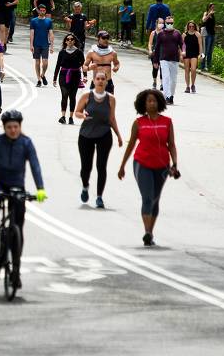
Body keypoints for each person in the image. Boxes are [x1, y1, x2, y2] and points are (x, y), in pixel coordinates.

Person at [0, 109, 47, 288]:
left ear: (20, 127)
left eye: (16, 127)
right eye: (9, 127)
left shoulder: (26, 143)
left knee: (18, 227)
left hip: (17, 184)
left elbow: (35, 165)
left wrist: (40, 188)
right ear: (4, 127)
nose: (13, 130)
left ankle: (16, 270)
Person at [117, 90, 179, 247]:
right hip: (142, 164)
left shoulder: (167, 122)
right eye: (148, 101)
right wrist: (122, 165)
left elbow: (171, 144)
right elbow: (131, 145)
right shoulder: (139, 123)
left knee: (156, 199)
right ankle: (146, 231)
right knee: (147, 197)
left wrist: (175, 164)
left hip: (162, 166)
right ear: (143, 105)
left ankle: (150, 232)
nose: (152, 103)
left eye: (154, 101)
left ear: (159, 102)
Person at [74, 71, 123, 209]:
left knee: (101, 166)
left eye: (103, 79)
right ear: (94, 81)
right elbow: (77, 112)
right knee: (86, 167)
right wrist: (82, 115)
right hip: (86, 135)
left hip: (104, 135)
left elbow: (112, 118)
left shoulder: (111, 99)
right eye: (98, 79)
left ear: (106, 82)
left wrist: (118, 135)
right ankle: (85, 186)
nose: (100, 81)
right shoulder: (86, 96)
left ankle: (99, 197)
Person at [53, 33, 85, 124]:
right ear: (65, 41)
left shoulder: (79, 52)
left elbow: (83, 64)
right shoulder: (62, 52)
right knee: (64, 94)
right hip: (63, 75)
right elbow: (58, 65)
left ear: (74, 41)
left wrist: (85, 76)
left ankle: (71, 117)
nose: (70, 41)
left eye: (71, 39)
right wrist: (54, 78)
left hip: (75, 75)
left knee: (72, 96)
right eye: (68, 39)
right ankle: (63, 116)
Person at [153, 16, 183, 104]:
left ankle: (172, 95)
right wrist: (155, 60)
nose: (170, 25)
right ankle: (167, 96)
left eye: (171, 23)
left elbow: (182, 44)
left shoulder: (177, 33)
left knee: (173, 80)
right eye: (168, 23)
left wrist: (184, 51)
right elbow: (157, 48)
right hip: (164, 59)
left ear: (173, 23)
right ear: (165, 23)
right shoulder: (161, 34)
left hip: (174, 59)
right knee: (166, 78)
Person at [29, 5, 54, 87]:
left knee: (45, 62)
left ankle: (43, 74)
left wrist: (52, 46)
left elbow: (51, 34)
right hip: (36, 44)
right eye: (41, 10)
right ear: (38, 11)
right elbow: (32, 34)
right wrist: (31, 45)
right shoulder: (33, 21)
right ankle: (39, 79)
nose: (42, 12)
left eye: (44, 10)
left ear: (45, 11)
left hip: (45, 44)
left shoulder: (49, 21)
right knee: (37, 62)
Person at [182, 21, 204, 93]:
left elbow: (200, 45)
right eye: (190, 26)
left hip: (194, 53)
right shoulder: (184, 35)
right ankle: (187, 86)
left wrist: (200, 54)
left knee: (193, 69)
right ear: (188, 27)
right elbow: (182, 45)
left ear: (195, 27)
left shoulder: (198, 34)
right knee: (187, 70)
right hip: (186, 54)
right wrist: (182, 53)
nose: (191, 28)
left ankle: (193, 85)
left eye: (193, 26)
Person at [147, 18, 165, 89]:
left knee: (162, 68)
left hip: (163, 53)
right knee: (155, 68)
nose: (161, 24)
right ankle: (154, 81)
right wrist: (150, 50)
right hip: (155, 53)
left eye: (162, 23)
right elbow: (150, 43)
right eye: (160, 23)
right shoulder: (153, 33)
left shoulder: (164, 32)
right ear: (157, 23)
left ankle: (162, 83)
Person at [200, 3, 216, 71]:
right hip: (207, 34)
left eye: (213, 7)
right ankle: (202, 66)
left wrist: (217, 27)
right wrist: (209, 14)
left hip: (212, 34)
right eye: (211, 7)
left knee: (210, 51)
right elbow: (203, 20)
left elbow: (211, 25)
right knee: (205, 51)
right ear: (208, 8)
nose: (213, 9)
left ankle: (209, 66)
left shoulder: (213, 15)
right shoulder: (206, 13)